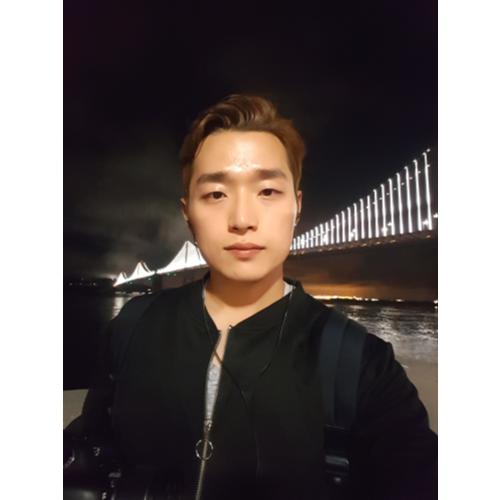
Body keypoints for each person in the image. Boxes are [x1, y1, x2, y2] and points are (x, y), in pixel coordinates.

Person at [66, 94, 437, 500]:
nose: (242, 220)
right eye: (216, 194)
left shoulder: (360, 363)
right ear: (187, 213)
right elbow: (87, 453)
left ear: (297, 206)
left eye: (268, 191)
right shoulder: (132, 328)